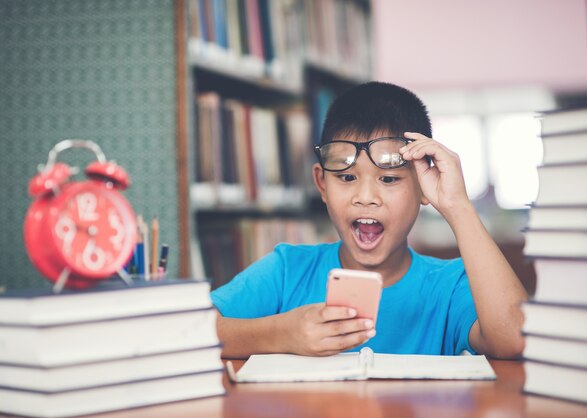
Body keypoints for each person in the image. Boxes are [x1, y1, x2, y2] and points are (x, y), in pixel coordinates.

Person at [211, 81, 527, 359]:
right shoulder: (287, 271)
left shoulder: (450, 285)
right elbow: (188, 332)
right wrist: (282, 333)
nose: (365, 196)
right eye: (346, 177)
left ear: (423, 187)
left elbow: (516, 339)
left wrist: (458, 206)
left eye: (388, 180)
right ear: (322, 184)